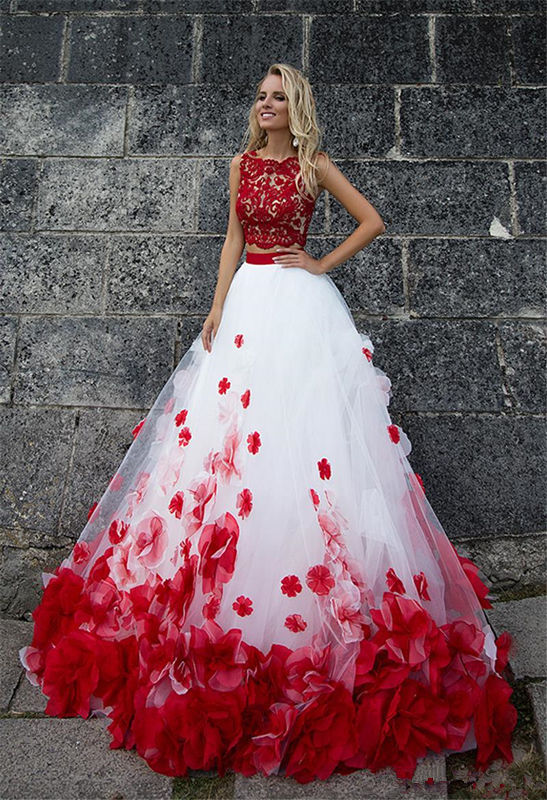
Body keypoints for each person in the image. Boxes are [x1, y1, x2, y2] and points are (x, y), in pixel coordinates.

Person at [19, 63, 517, 785]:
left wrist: (319, 264)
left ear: (297, 107)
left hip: (301, 309)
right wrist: (217, 306)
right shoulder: (240, 162)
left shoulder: (313, 163)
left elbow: (372, 220)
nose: (267, 105)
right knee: (222, 449)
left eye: (280, 97)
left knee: (309, 447)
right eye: (260, 96)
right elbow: (230, 238)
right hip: (249, 301)